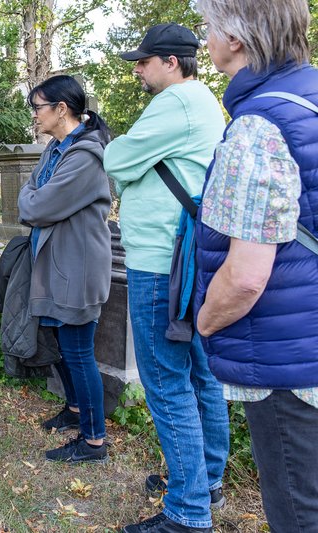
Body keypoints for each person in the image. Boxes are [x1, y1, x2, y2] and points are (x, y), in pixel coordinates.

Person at [193, 1, 318, 530]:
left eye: (209, 25)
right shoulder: (308, 101)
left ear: (236, 38)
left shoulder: (258, 125)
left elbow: (245, 276)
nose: (205, 37)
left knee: (298, 511)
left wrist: (203, 322)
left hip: (288, 362)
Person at [102, 24, 230, 533]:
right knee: (201, 376)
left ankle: (187, 512)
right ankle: (206, 482)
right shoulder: (204, 102)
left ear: (171, 62)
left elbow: (117, 160)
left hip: (160, 262)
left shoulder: (174, 104)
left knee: (166, 384)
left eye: (143, 61)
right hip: (188, 258)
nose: (137, 69)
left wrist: (131, 160)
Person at [17, 75, 112, 463]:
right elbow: (29, 194)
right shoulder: (55, 149)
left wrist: (34, 198)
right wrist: (33, 197)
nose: (34, 116)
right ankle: (74, 411)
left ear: (61, 109)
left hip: (78, 265)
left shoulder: (86, 156)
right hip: (55, 263)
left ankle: (94, 441)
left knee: (77, 351)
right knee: (60, 345)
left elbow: (36, 206)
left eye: (38, 108)